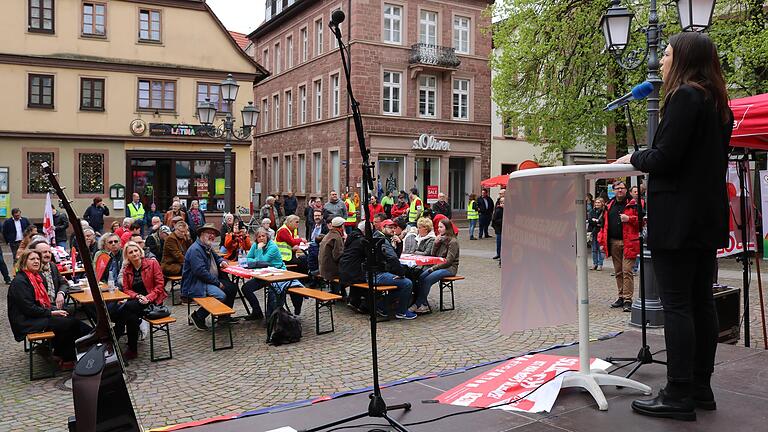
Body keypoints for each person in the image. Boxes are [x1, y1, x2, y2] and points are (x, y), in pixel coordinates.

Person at [616, 32, 733, 421]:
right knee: (701, 302)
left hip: (678, 221)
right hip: (703, 219)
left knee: (678, 306)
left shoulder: (685, 97)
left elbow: (666, 158)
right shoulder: (717, 102)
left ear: (682, 59)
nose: (661, 62)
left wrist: (634, 157)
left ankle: (678, 392)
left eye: (666, 55)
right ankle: (701, 386)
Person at [7, 249, 90, 369]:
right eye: (32, 259)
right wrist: (51, 312)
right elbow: (29, 308)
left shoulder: (36, 278)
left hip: (35, 316)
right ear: (24, 262)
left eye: (37, 259)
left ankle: (68, 351)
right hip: (25, 321)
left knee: (67, 317)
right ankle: (71, 355)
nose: (36, 261)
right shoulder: (20, 281)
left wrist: (53, 309)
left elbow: (40, 303)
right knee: (68, 323)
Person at [182, 224, 240, 330]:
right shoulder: (196, 249)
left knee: (232, 287)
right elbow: (200, 272)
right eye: (209, 233)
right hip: (197, 283)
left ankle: (224, 317)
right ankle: (197, 316)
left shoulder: (206, 246)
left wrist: (222, 261)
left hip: (208, 280)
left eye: (213, 234)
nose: (212, 236)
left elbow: (217, 257)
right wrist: (217, 283)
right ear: (201, 234)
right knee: (221, 296)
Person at [115, 241, 167, 359]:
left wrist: (148, 298)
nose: (134, 254)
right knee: (131, 317)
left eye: (136, 251)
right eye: (130, 252)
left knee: (126, 308)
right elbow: (126, 289)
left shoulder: (152, 264)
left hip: (153, 301)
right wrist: (137, 296)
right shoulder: (127, 269)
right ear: (127, 256)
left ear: (140, 251)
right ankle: (132, 350)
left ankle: (115, 336)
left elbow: (160, 286)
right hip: (136, 301)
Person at [596, 181, 639, 312]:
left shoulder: (634, 204)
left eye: (622, 188)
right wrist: (602, 242)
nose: (620, 190)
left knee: (627, 271)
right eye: (617, 188)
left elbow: (642, 222)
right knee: (618, 271)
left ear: (626, 190)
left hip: (629, 242)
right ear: (613, 190)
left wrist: (629, 219)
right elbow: (604, 225)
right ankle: (621, 297)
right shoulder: (609, 205)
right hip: (614, 242)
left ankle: (627, 299)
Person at [414, 218, 460, 313]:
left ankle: (419, 304)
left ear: (447, 228)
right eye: (438, 227)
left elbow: (449, 261)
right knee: (421, 277)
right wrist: (436, 243)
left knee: (427, 280)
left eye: (441, 227)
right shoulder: (440, 239)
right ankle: (423, 303)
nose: (439, 229)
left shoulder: (453, 242)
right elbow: (433, 255)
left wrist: (433, 268)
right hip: (438, 266)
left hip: (449, 269)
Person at [240, 228, 282, 320]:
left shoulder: (273, 247)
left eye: (263, 236)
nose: (261, 238)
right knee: (246, 288)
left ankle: (270, 318)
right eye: (259, 237)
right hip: (262, 274)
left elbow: (262, 261)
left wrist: (259, 250)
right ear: (256, 238)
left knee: (272, 291)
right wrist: (255, 260)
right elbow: (248, 258)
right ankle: (257, 312)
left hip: (277, 274)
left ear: (267, 236)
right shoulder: (255, 245)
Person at [30, 239, 69, 311]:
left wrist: (61, 293)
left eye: (49, 252)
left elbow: (64, 283)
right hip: (43, 308)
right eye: (44, 252)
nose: (48, 254)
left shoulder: (52, 266)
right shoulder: (33, 270)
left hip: (57, 305)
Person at [275, 215, 309, 283]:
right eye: (296, 222)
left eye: (298, 222)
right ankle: (301, 280)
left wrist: (298, 243)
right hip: (284, 257)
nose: (298, 224)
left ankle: (302, 280)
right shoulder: (283, 230)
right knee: (302, 263)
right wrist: (301, 240)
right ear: (290, 222)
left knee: (305, 259)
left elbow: (295, 240)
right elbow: (292, 242)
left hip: (291, 254)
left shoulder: (293, 229)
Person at [319, 217, 346, 296]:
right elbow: (337, 256)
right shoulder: (336, 237)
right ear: (341, 227)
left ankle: (339, 292)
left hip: (323, 268)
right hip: (330, 271)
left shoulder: (329, 234)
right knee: (350, 273)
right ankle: (341, 294)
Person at [588, 197, 606, 271]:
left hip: (600, 232)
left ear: (602, 203)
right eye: (596, 202)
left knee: (600, 249)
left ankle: (600, 264)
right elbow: (590, 220)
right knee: (594, 249)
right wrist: (597, 222)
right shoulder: (592, 211)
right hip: (593, 232)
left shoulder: (604, 212)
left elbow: (602, 222)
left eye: (599, 202)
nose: (597, 204)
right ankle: (594, 263)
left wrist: (596, 221)